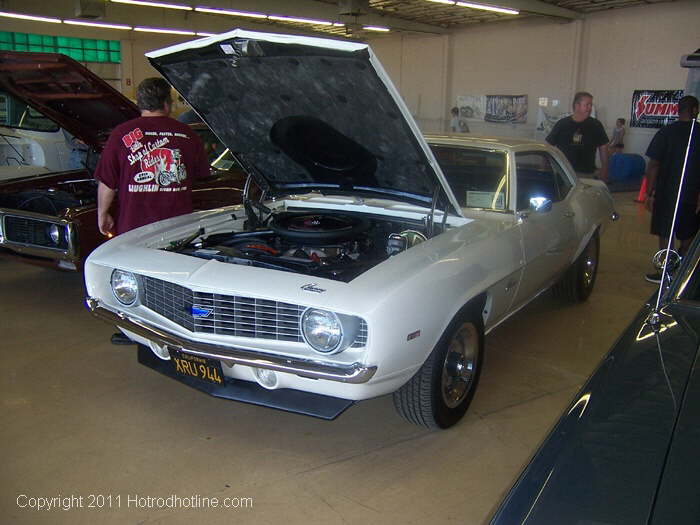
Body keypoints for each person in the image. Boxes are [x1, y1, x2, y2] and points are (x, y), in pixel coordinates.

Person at [94, 77, 210, 236]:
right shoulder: (189, 134)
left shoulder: (120, 133)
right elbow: (202, 175)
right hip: (178, 228)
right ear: (167, 103)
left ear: (139, 103)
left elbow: (107, 182)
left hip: (133, 228)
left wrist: (102, 213)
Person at [644, 95, 700, 283]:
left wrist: (649, 193)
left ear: (678, 110)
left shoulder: (665, 132)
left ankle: (665, 271)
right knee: (688, 234)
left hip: (667, 193)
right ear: (694, 110)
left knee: (666, 233)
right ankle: (681, 269)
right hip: (693, 195)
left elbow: (653, 165)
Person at [546, 92, 609, 181]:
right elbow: (549, 145)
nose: (590, 108)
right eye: (587, 105)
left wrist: (605, 168)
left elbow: (603, 147)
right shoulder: (563, 124)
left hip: (586, 174)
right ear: (577, 105)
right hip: (563, 172)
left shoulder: (595, 125)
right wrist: (546, 165)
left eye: (590, 105)